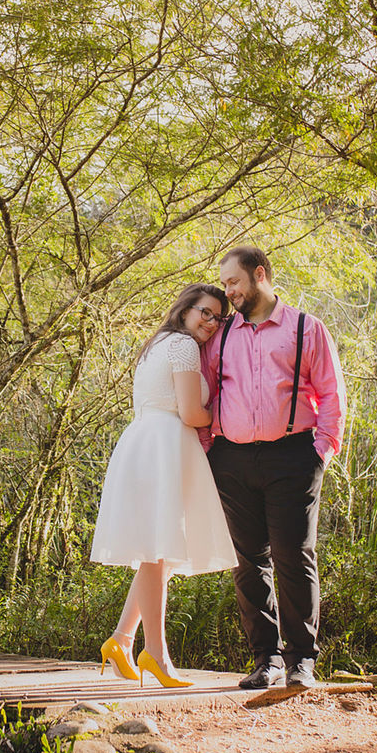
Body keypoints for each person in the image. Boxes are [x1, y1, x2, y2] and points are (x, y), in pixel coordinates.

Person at [203, 246, 346, 690]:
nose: (228, 291)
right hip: (232, 459)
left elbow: (332, 394)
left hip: (293, 457)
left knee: (294, 557)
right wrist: (210, 450)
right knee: (248, 563)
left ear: (259, 275)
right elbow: (205, 392)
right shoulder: (221, 335)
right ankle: (267, 660)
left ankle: (302, 661)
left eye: (233, 282)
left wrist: (320, 452)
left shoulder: (307, 328)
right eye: (225, 284)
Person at [89, 283, 238, 687]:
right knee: (158, 554)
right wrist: (232, 414)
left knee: (159, 555)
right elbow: (191, 412)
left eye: (218, 317)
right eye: (204, 312)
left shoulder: (158, 343)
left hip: (146, 442)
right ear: (185, 308)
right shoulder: (183, 346)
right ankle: (156, 654)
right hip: (164, 446)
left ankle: (121, 640)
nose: (210, 323)